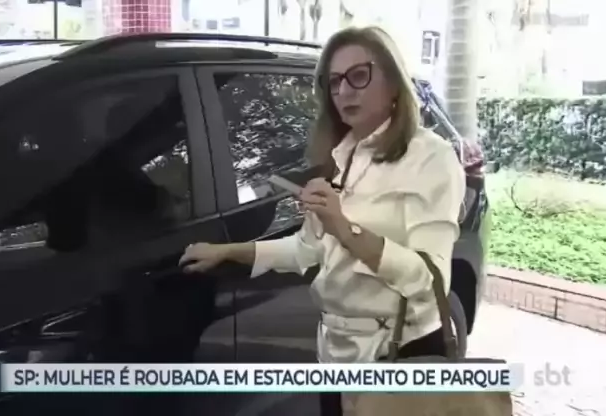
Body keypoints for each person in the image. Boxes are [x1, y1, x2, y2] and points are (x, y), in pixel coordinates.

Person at [179, 26, 465, 416]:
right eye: (334, 82)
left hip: (397, 352)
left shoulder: (430, 158)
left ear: (394, 82)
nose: (344, 91)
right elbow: (305, 250)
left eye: (358, 76)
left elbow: (430, 282)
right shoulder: (341, 156)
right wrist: (227, 251)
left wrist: (343, 228)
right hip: (334, 354)